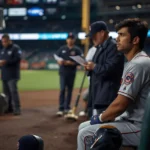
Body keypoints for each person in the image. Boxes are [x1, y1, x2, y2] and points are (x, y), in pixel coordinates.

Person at [77, 18, 150, 150]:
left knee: (85, 134)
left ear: (135, 40)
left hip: (140, 126)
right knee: (84, 126)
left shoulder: (137, 64)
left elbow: (120, 104)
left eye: (122, 35)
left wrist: (100, 117)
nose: (117, 39)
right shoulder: (137, 61)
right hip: (132, 119)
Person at [84, 21, 124, 117]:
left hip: (106, 95)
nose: (92, 38)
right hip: (98, 91)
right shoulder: (100, 47)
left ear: (102, 33)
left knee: (103, 124)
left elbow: (110, 69)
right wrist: (89, 68)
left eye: (94, 35)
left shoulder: (113, 46)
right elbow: (96, 68)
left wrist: (94, 66)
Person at [54, 33, 83, 116]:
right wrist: (58, 61)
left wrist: (72, 63)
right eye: (69, 38)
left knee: (69, 90)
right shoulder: (62, 48)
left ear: (74, 40)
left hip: (72, 73)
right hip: (63, 72)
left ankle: (67, 107)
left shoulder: (77, 49)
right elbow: (56, 55)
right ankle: (61, 108)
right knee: (62, 89)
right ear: (67, 40)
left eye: (72, 38)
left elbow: (81, 60)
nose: (70, 40)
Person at [0, 34, 21, 115]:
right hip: (4, 74)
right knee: (6, 93)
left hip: (13, 74)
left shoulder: (15, 48)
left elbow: (17, 59)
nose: (4, 43)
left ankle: (17, 108)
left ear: (9, 40)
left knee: (13, 91)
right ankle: (8, 108)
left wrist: (6, 62)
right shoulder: (2, 50)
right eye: (2, 42)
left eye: (5, 41)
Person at [79, 46, 97, 117]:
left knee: (87, 96)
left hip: (97, 81)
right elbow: (86, 63)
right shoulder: (91, 49)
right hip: (91, 81)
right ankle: (87, 112)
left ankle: (91, 113)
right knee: (86, 96)